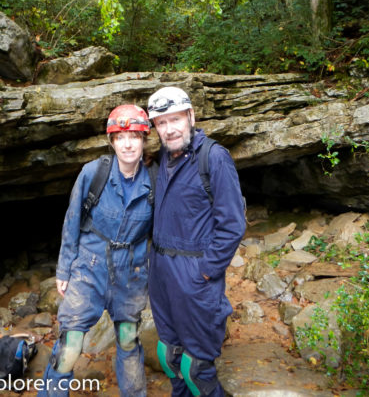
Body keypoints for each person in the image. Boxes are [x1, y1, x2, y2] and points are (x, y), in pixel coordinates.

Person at [39, 105, 154, 397]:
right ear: (112, 141)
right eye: (121, 136)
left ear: (144, 139)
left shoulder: (155, 181)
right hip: (89, 268)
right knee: (70, 345)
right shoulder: (94, 173)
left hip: (131, 271)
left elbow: (164, 231)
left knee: (128, 339)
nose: (127, 144)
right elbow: (72, 220)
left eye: (134, 136)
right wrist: (64, 269)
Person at [147, 86, 246, 397]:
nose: (169, 129)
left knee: (196, 368)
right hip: (161, 272)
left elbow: (232, 224)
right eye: (161, 123)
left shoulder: (213, 158)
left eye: (175, 119)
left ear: (191, 116)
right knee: (169, 355)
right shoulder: (161, 159)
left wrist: (206, 271)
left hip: (194, 274)